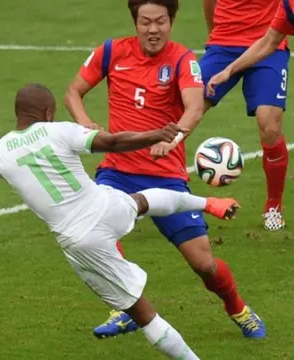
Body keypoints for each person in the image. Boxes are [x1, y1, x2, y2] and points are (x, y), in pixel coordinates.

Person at [0, 83, 241, 359]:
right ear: (48, 112)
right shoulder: (60, 130)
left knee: (143, 314)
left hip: (81, 239)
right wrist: (155, 135)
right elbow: (113, 143)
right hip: (104, 205)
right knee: (143, 200)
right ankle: (208, 203)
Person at [64, 0, 265, 339]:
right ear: (135, 22)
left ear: (171, 21)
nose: (152, 30)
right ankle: (125, 308)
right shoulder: (112, 51)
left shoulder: (183, 60)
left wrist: (174, 140)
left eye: (160, 22)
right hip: (117, 171)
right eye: (145, 22)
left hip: (166, 176)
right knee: (95, 230)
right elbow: (73, 92)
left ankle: (237, 307)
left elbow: (194, 106)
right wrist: (89, 130)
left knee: (204, 264)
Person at [200, 0, 288, 231]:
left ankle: (273, 206)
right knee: (184, 109)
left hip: (271, 43)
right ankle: (167, 192)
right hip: (224, 42)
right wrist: (216, 33)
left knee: (269, 124)